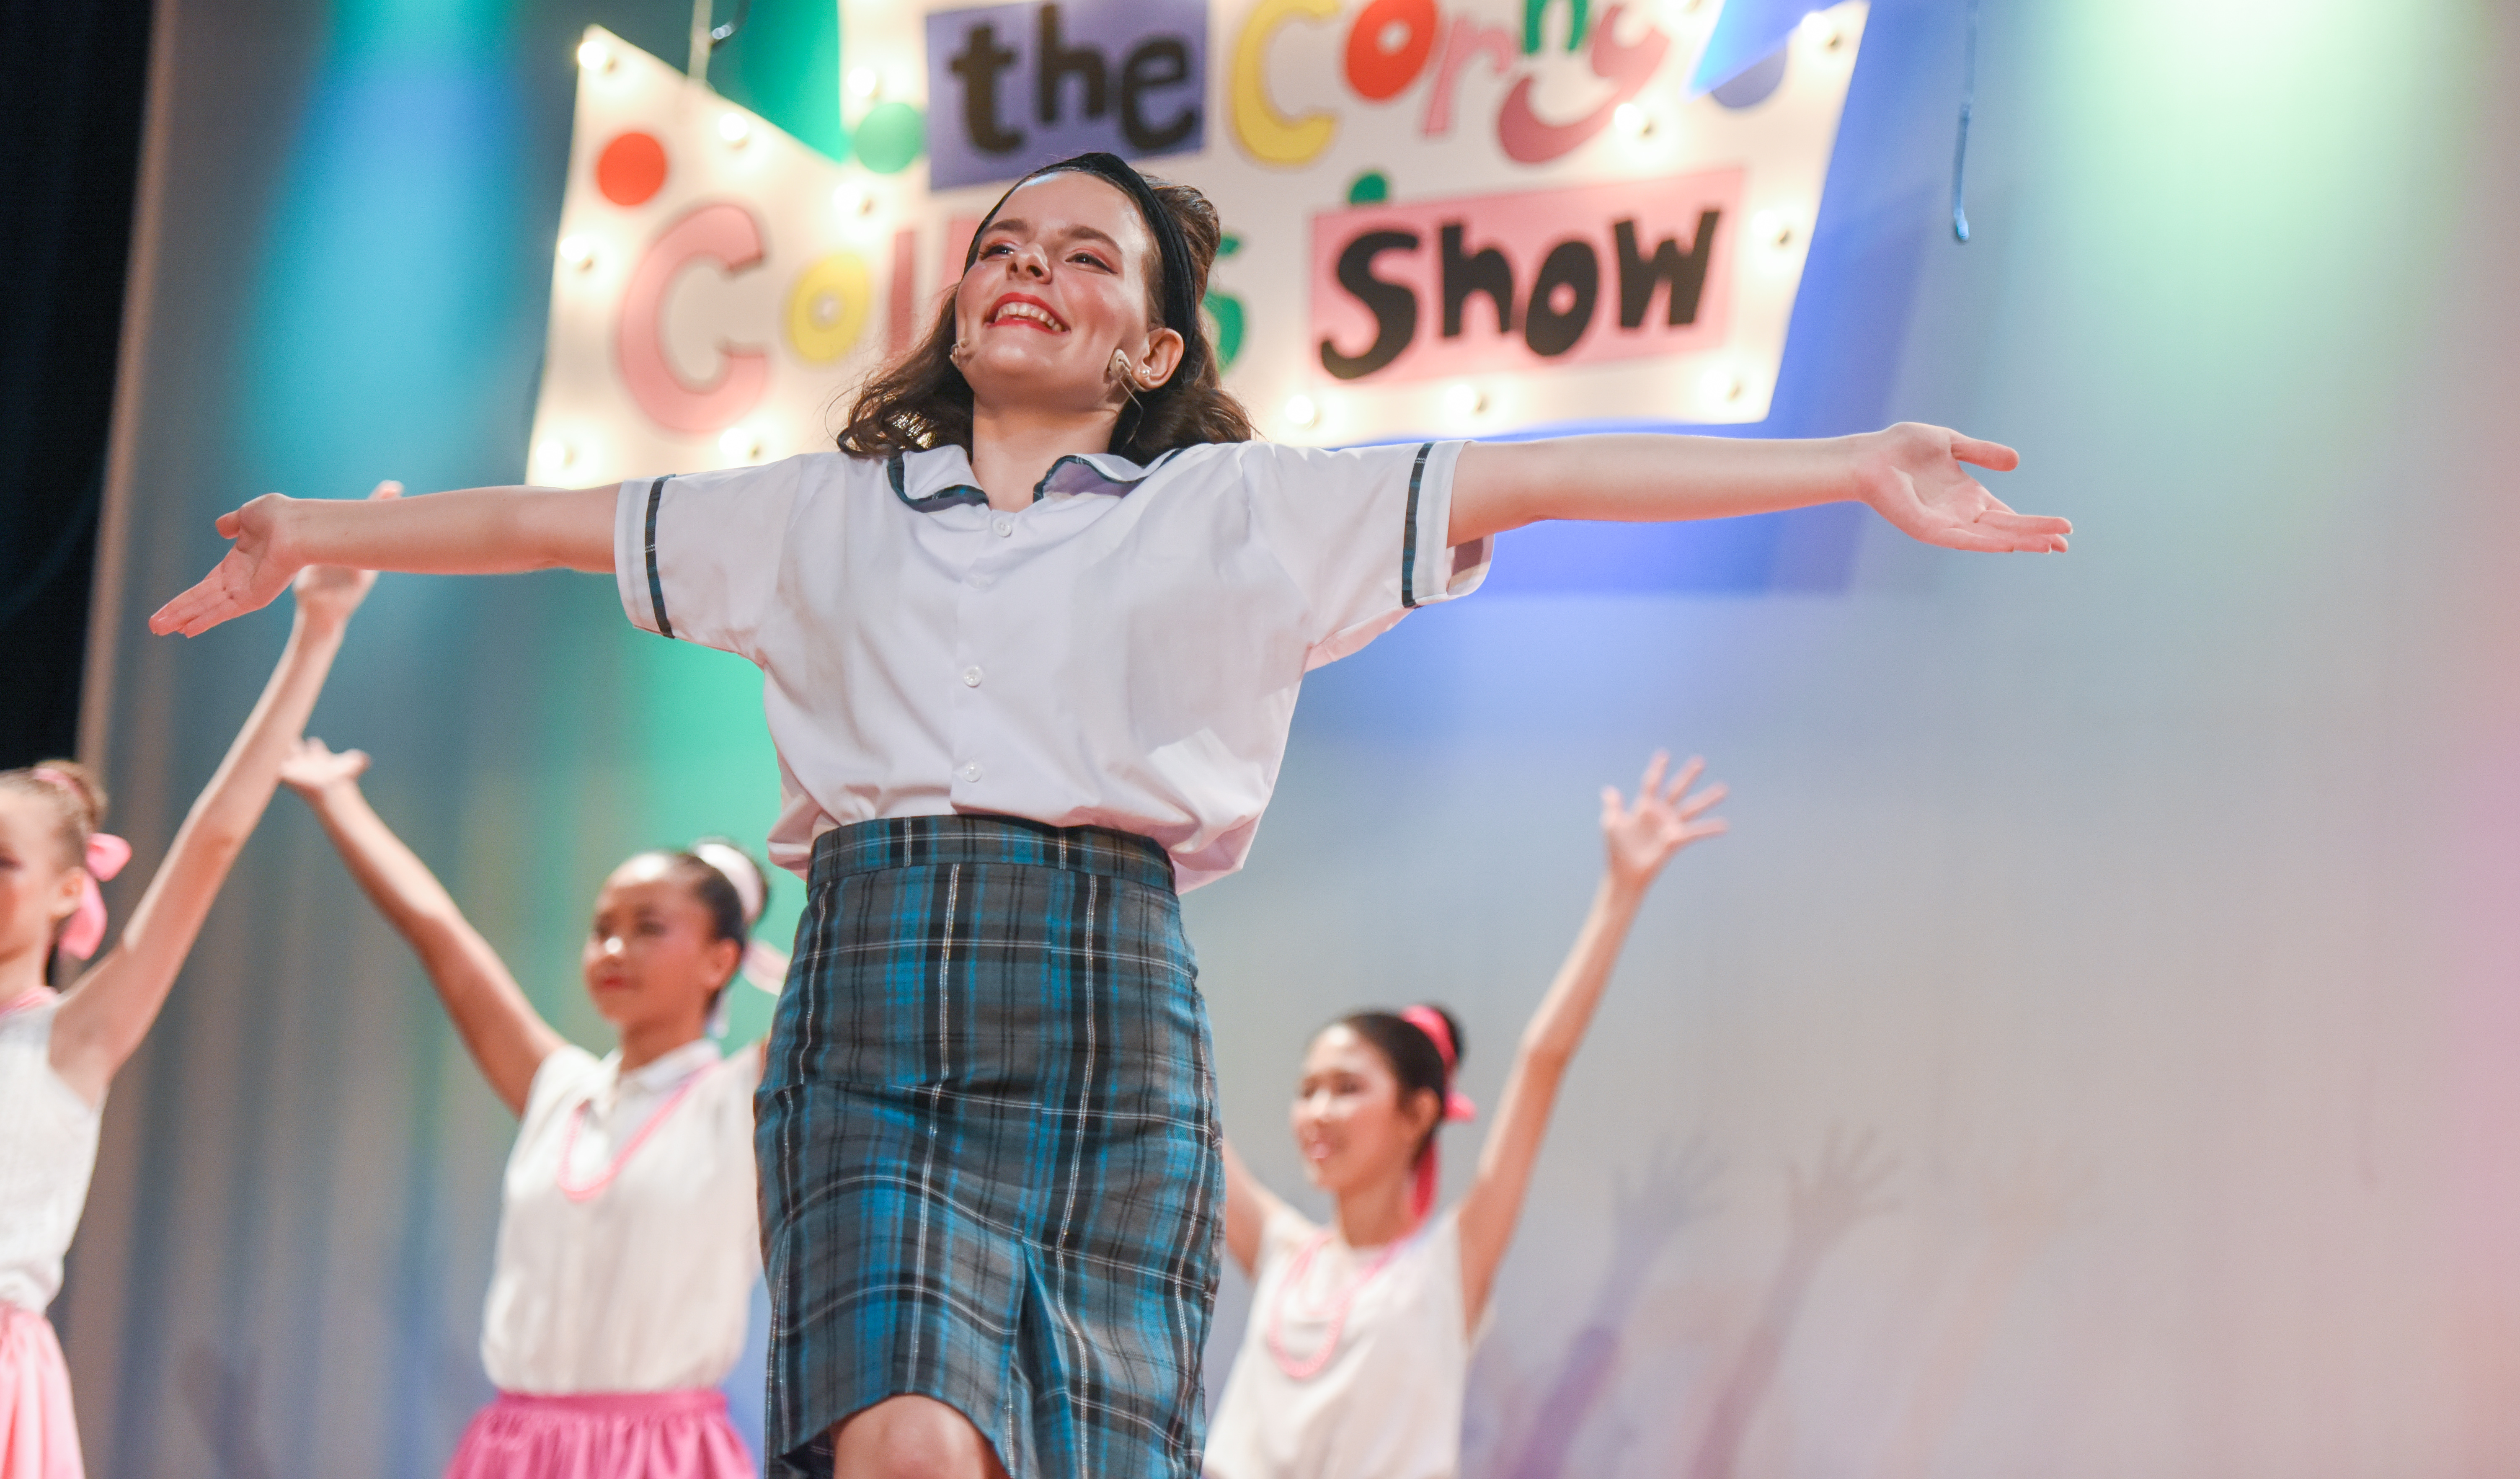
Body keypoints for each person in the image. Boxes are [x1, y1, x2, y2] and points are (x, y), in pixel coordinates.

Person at [145, 150, 2069, 1479]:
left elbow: (1546, 466)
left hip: (1107, 992)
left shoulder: (1237, 515)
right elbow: (544, 524)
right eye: (1003, 243)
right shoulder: (815, 512)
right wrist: (317, 528)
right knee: (901, 1435)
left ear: (1148, 348)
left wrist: (1848, 461)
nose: (1030, 269)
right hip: (873, 989)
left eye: (1085, 257)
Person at [1202, 751, 1726, 1479]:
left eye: (1348, 1087)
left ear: (1420, 1113)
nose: (1318, 1111)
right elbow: (1190, 1108)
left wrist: (1621, 892)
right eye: (1309, 1088)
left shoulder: (1446, 1270)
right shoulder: (1286, 1253)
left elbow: (1542, 1062)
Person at [276, 736, 774, 1479]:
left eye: (648, 928)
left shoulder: (743, 1098)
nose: (613, 950)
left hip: (660, 1456)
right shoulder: (561, 1091)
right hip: (517, 1451)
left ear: (721, 961)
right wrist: (335, 799)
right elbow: (439, 936)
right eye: (602, 928)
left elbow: (846, 971)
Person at [3, 532, 382, 1479]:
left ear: (64, 893)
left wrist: (316, 634)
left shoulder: (69, 1037)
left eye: (3, 863)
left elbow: (211, 842)